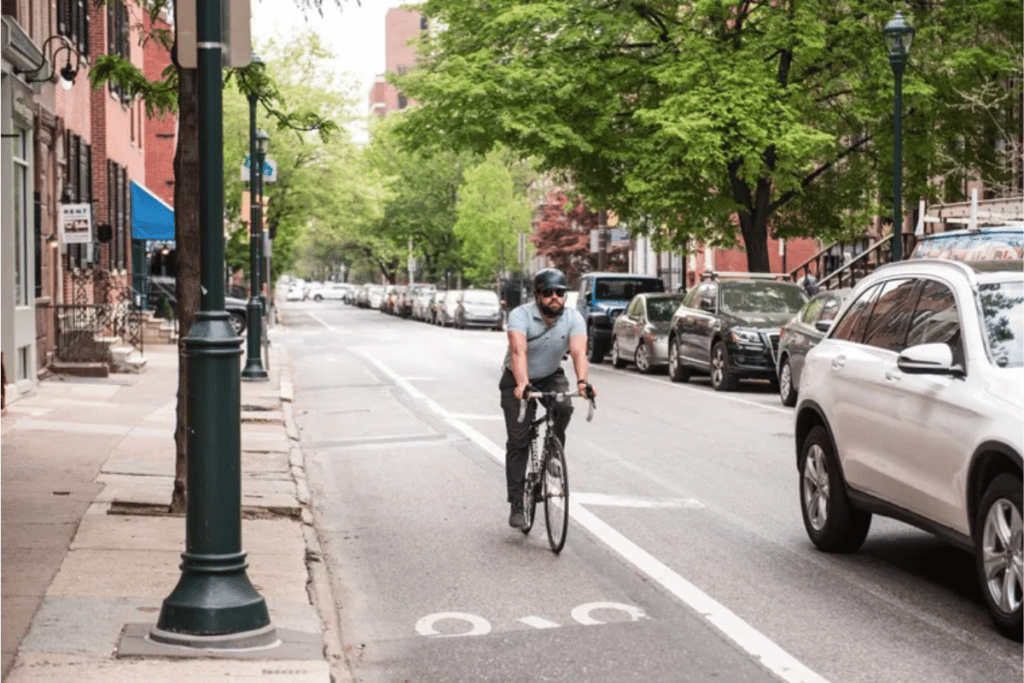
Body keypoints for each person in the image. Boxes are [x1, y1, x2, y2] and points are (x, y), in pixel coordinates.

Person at [499, 268, 596, 529]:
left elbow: (578, 352)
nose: (555, 297)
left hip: (550, 374)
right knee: (519, 440)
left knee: (564, 405)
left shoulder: (574, 318)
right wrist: (522, 384)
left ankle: (554, 451)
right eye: (548, 292)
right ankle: (518, 503)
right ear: (537, 294)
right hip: (516, 378)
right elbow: (518, 350)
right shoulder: (521, 315)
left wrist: (582, 382)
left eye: (560, 292)